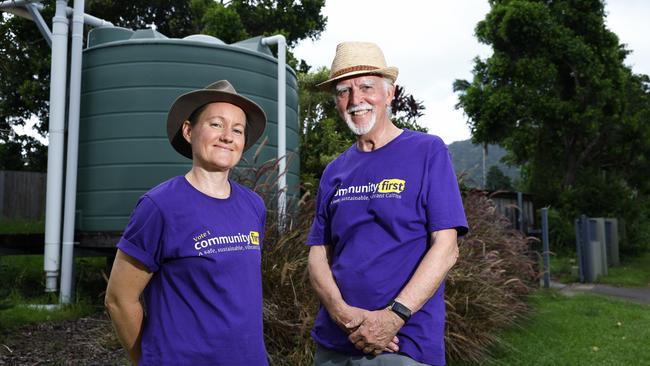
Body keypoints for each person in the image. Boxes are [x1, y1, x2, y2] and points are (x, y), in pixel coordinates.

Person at [306, 42, 469, 366]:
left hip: (402, 346)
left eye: (367, 87)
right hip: (335, 344)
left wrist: (394, 316)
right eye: (344, 91)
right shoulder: (335, 171)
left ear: (389, 92)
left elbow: (446, 247)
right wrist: (343, 314)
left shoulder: (427, 151)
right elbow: (318, 254)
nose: (356, 101)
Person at [104, 80, 269, 365]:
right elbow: (119, 300)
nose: (227, 136)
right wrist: (150, 360)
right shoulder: (160, 207)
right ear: (189, 131)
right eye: (216, 124)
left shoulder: (253, 206)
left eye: (238, 129)